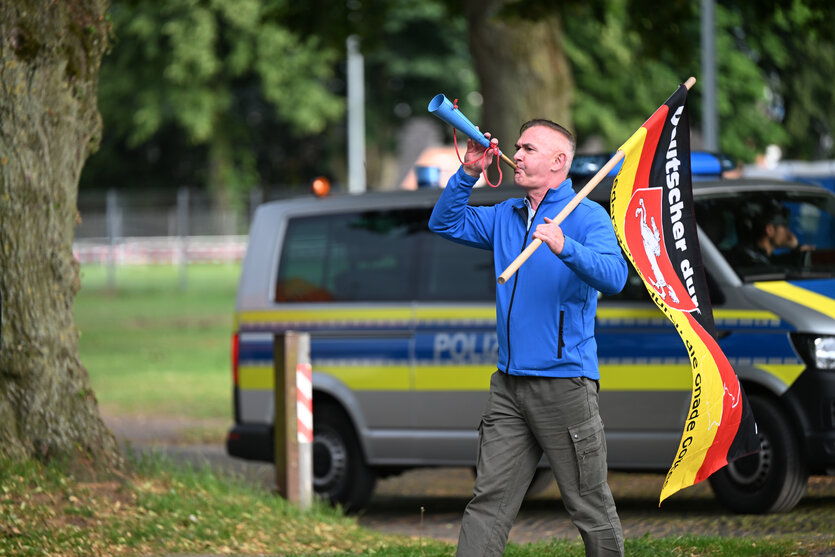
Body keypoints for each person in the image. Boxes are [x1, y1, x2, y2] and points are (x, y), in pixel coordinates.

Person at [428, 120, 627, 557]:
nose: (516, 154)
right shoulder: (506, 214)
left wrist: (564, 245)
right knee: (488, 503)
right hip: (509, 385)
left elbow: (615, 278)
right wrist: (467, 173)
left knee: (588, 505)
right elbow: (444, 223)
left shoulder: (586, 215)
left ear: (559, 161)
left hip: (565, 385)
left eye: (528, 148)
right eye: (517, 147)